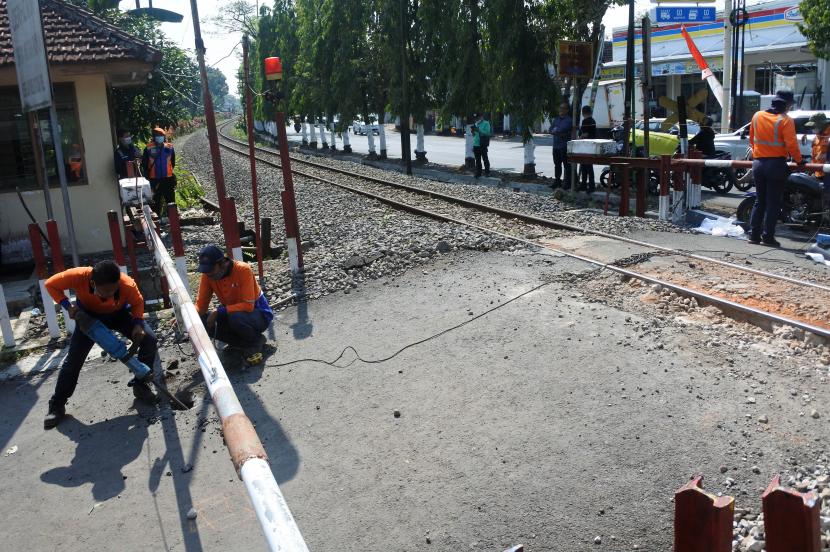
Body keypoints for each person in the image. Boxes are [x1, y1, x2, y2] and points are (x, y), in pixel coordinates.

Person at [43, 261, 157, 429]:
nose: (110, 294)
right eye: (106, 291)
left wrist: (139, 323)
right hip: (88, 318)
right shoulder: (79, 276)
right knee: (74, 360)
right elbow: (50, 284)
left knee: (149, 340)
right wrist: (67, 305)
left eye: (113, 290)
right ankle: (57, 404)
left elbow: (138, 302)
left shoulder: (126, 284)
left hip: (119, 315)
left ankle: (140, 385)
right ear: (93, 283)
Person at [195, 245, 274, 367]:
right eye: (206, 270)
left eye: (211, 269)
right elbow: (201, 305)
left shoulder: (243, 270)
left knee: (235, 317)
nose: (208, 273)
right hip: (234, 314)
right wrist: (186, 318)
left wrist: (218, 312)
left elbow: (248, 306)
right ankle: (240, 344)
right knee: (202, 322)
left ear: (222, 263)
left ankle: (255, 342)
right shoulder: (208, 275)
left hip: (258, 315)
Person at [748, 90, 803, 247]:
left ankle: (753, 235)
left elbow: (752, 140)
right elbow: (791, 144)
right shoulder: (786, 120)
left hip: (758, 164)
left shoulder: (757, 116)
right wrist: (799, 161)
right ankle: (768, 237)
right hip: (776, 165)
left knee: (760, 201)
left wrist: (759, 153)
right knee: (772, 203)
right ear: (787, 104)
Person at [141, 127, 176, 217]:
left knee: (170, 200)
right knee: (156, 200)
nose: (159, 137)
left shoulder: (170, 147)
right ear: (154, 137)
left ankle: (172, 218)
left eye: (160, 135)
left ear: (164, 136)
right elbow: (144, 164)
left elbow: (173, 162)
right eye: (157, 135)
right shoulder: (148, 148)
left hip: (168, 178)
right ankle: (157, 219)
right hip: (154, 179)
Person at [805, 112, 830, 221]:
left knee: (826, 196)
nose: (813, 129)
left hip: (828, 174)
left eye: (814, 126)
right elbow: (814, 155)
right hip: (817, 173)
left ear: (821, 124)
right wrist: (810, 170)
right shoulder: (817, 137)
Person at [551, 102, 572, 189]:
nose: (561, 110)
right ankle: (557, 181)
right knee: (557, 164)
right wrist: (556, 130)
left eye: (563, 108)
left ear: (567, 110)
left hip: (564, 146)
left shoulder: (569, 120)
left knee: (566, 165)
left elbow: (563, 128)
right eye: (560, 108)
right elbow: (551, 128)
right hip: (556, 145)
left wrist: (556, 130)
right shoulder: (556, 119)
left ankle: (567, 183)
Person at [578, 105, 597, 192]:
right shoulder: (593, 120)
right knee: (587, 166)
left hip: (586, 145)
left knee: (586, 166)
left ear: (583, 112)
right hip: (590, 145)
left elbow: (585, 134)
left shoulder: (586, 121)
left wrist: (580, 137)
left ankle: (588, 185)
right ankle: (586, 184)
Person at [472, 112, 492, 178]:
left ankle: (487, 172)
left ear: (482, 117)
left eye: (479, 117)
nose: (478, 118)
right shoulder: (475, 123)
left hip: (482, 144)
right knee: (477, 160)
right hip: (476, 144)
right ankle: (478, 173)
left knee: (485, 159)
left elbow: (487, 133)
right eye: (477, 117)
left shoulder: (486, 123)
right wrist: (473, 131)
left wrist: (479, 130)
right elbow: (474, 134)